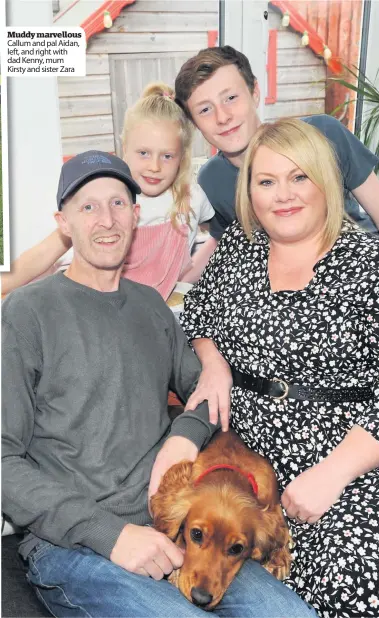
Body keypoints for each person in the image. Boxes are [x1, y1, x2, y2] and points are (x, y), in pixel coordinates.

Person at [1, 150, 318, 618]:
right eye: (87, 207)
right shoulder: (26, 314)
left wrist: (183, 437)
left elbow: (207, 395)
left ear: (135, 215)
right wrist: (111, 535)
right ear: (63, 222)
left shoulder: (152, 308)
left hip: (175, 531)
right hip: (74, 544)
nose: (105, 220)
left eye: (117, 204)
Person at [179, 118, 379, 617]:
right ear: (250, 192)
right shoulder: (238, 254)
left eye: (299, 177)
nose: (283, 195)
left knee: (360, 572)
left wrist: (330, 474)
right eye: (267, 182)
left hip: (369, 457)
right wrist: (214, 361)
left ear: (326, 182)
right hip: (260, 460)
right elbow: (198, 314)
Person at [174, 45, 379, 438]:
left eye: (231, 97)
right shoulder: (212, 182)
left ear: (256, 92)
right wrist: (169, 274)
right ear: (194, 123)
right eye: (204, 109)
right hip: (339, 300)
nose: (222, 116)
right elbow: (232, 247)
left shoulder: (322, 132)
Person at [1, 82, 214, 300]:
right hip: (89, 297)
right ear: (125, 148)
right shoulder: (111, 197)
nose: (155, 166)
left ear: (182, 157)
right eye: (143, 153)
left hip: (148, 308)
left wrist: (190, 277)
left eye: (167, 156)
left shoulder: (193, 198)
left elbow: (218, 234)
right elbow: (47, 251)